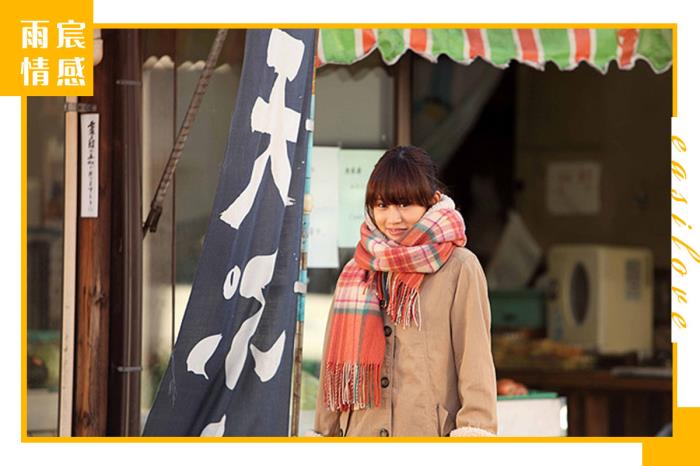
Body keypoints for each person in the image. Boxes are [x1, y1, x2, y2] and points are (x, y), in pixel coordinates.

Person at [309, 146, 498, 437]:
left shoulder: (459, 267)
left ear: (431, 202)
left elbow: (475, 361)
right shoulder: (357, 268)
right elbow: (333, 369)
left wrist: (475, 432)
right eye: (382, 205)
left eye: (404, 204)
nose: (393, 218)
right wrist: (324, 435)